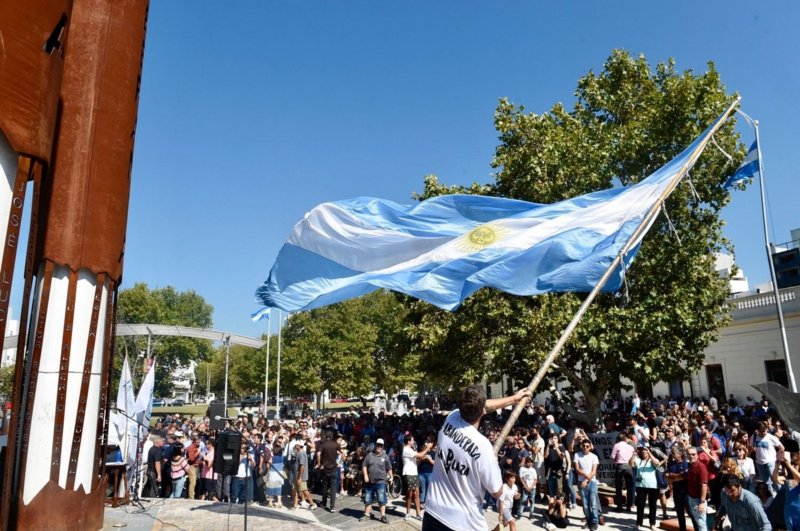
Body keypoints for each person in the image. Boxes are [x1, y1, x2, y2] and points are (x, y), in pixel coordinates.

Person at [423, 385, 531, 531]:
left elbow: (483, 406)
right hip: (464, 524)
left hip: (433, 513)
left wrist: (514, 399)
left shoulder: (451, 418)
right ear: (482, 411)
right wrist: (493, 462)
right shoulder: (483, 447)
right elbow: (496, 491)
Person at [360, 437, 393, 524]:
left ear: (383, 446)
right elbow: (364, 466)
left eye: (381, 445)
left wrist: (391, 476)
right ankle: (367, 515)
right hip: (370, 481)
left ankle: (383, 516)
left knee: (382, 498)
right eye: (378, 445)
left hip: (381, 481)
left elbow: (389, 468)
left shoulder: (385, 457)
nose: (379, 447)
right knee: (368, 498)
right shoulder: (369, 455)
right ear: (375, 445)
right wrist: (366, 475)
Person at [402, 433, 433, 520]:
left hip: (414, 473)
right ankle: (408, 513)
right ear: (408, 441)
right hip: (408, 473)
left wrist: (425, 457)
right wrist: (428, 448)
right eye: (412, 440)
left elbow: (418, 458)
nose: (413, 441)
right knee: (410, 494)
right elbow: (419, 455)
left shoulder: (411, 450)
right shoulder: (406, 450)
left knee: (417, 493)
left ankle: (418, 514)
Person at [632, 446, 662, 531]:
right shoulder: (639, 460)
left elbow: (657, 463)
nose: (644, 452)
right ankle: (638, 523)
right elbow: (631, 464)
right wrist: (633, 455)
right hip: (640, 486)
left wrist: (650, 453)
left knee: (652, 506)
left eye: (646, 451)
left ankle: (652, 523)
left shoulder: (652, 460)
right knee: (640, 505)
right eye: (643, 451)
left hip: (653, 486)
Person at [574, 439, 600, 531]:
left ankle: (594, 521)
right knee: (585, 504)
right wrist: (585, 477)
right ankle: (588, 520)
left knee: (593, 503)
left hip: (592, 482)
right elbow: (577, 469)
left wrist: (586, 480)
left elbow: (594, 471)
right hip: (581, 482)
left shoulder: (594, 457)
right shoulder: (577, 455)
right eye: (583, 446)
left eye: (587, 446)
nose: (585, 448)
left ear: (590, 447)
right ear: (581, 446)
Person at [666, 445, 691, 531]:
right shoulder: (671, 464)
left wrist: (673, 476)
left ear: (680, 454)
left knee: (691, 513)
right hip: (676, 492)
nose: (672, 454)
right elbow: (666, 476)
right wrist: (677, 476)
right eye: (672, 453)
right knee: (680, 514)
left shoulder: (686, 463)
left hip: (686, 492)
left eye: (674, 453)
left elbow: (684, 476)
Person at [611, 432, 636, 512]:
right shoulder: (630, 447)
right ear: (626, 439)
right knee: (630, 487)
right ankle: (629, 505)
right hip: (629, 466)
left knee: (619, 487)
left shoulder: (617, 445)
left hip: (620, 466)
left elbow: (612, 456)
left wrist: (616, 460)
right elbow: (633, 457)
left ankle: (619, 506)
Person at [686, 446, 709, 531]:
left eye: (693, 454)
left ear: (697, 455)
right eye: (689, 454)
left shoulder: (701, 467)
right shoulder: (690, 465)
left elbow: (704, 485)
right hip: (691, 497)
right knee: (697, 521)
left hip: (698, 500)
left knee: (701, 522)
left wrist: (702, 502)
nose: (691, 456)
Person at [316, 429, 340, 512]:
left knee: (325, 486)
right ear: (332, 436)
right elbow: (342, 453)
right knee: (333, 488)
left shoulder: (323, 445)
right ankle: (332, 506)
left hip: (325, 468)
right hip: (334, 468)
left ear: (326, 436)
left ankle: (324, 502)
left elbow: (318, 454)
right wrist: (339, 462)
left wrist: (319, 464)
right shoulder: (335, 444)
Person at [291, 441, 316, 510]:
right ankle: (295, 505)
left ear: (299, 445)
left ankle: (312, 503)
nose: (295, 446)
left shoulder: (302, 454)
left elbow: (302, 466)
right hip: (297, 475)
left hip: (300, 477)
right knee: (295, 489)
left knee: (304, 490)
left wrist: (300, 477)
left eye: (296, 445)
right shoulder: (298, 453)